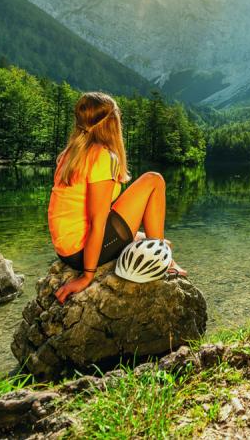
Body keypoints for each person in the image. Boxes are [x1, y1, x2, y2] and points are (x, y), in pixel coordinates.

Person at [48, 91, 186, 304]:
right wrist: (86, 276)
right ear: (111, 123)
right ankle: (159, 256)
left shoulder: (71, 153)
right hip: (82, 252)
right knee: (154, 180)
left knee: (142, 232)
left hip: (66, 249)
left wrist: (133, 234)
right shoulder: (102, 156)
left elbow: (93, 211)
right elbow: (98, 222)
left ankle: (149, 242)